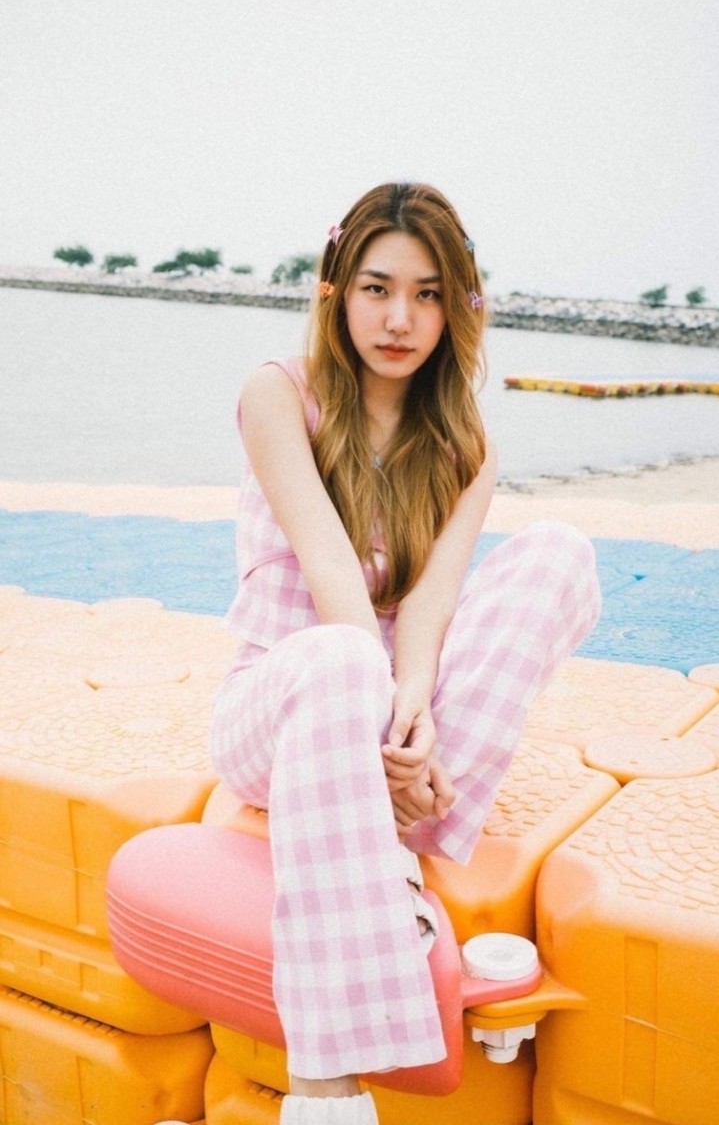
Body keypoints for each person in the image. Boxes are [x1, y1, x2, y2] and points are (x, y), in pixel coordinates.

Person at [210, 181, 601, 1124]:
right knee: (344, 657)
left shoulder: (464, 442)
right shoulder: (279, 395)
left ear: (458, 306)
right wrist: (384, 711)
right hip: (283, 710)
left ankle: (403, 811)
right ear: (336, 290)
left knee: (558, 554)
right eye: (377, 288)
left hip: (389, 722)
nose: (399, 319)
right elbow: (334, 583)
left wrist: (414, 714)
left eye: (427, 294)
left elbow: (427, 606)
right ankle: (326, 1090)